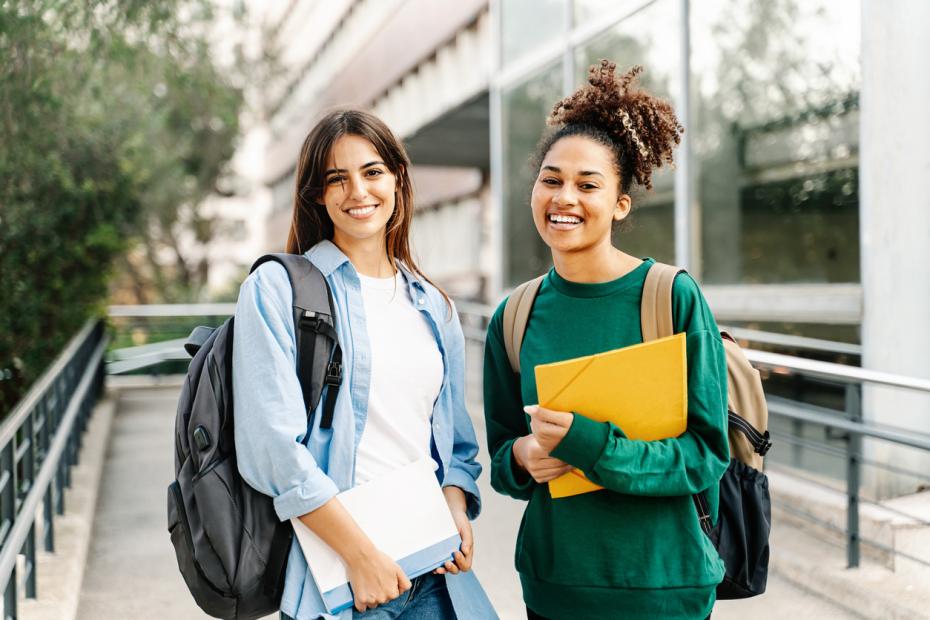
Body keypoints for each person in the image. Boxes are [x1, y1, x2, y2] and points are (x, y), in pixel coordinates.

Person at [483, 60, 729, 620]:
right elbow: (501, 457)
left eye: (587, 184)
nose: (564, 197)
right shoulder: (514, 315)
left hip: (664, 589)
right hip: (554, 590)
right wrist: (522, 457)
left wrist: (593, 447)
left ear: (620, 204)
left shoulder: (671, 297)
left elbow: (706, 455)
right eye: (551, 179)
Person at [232, 109, 496, 620]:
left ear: (397, 178)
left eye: (372, 172)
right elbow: (272, 450)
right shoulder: (278, 289)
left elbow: (455, 441)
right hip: (344, 585)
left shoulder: (432, 305)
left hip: (438, 576)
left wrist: (457, 505)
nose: (358, 191)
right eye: (337, 178)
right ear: (317, 195)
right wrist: (360, 555)